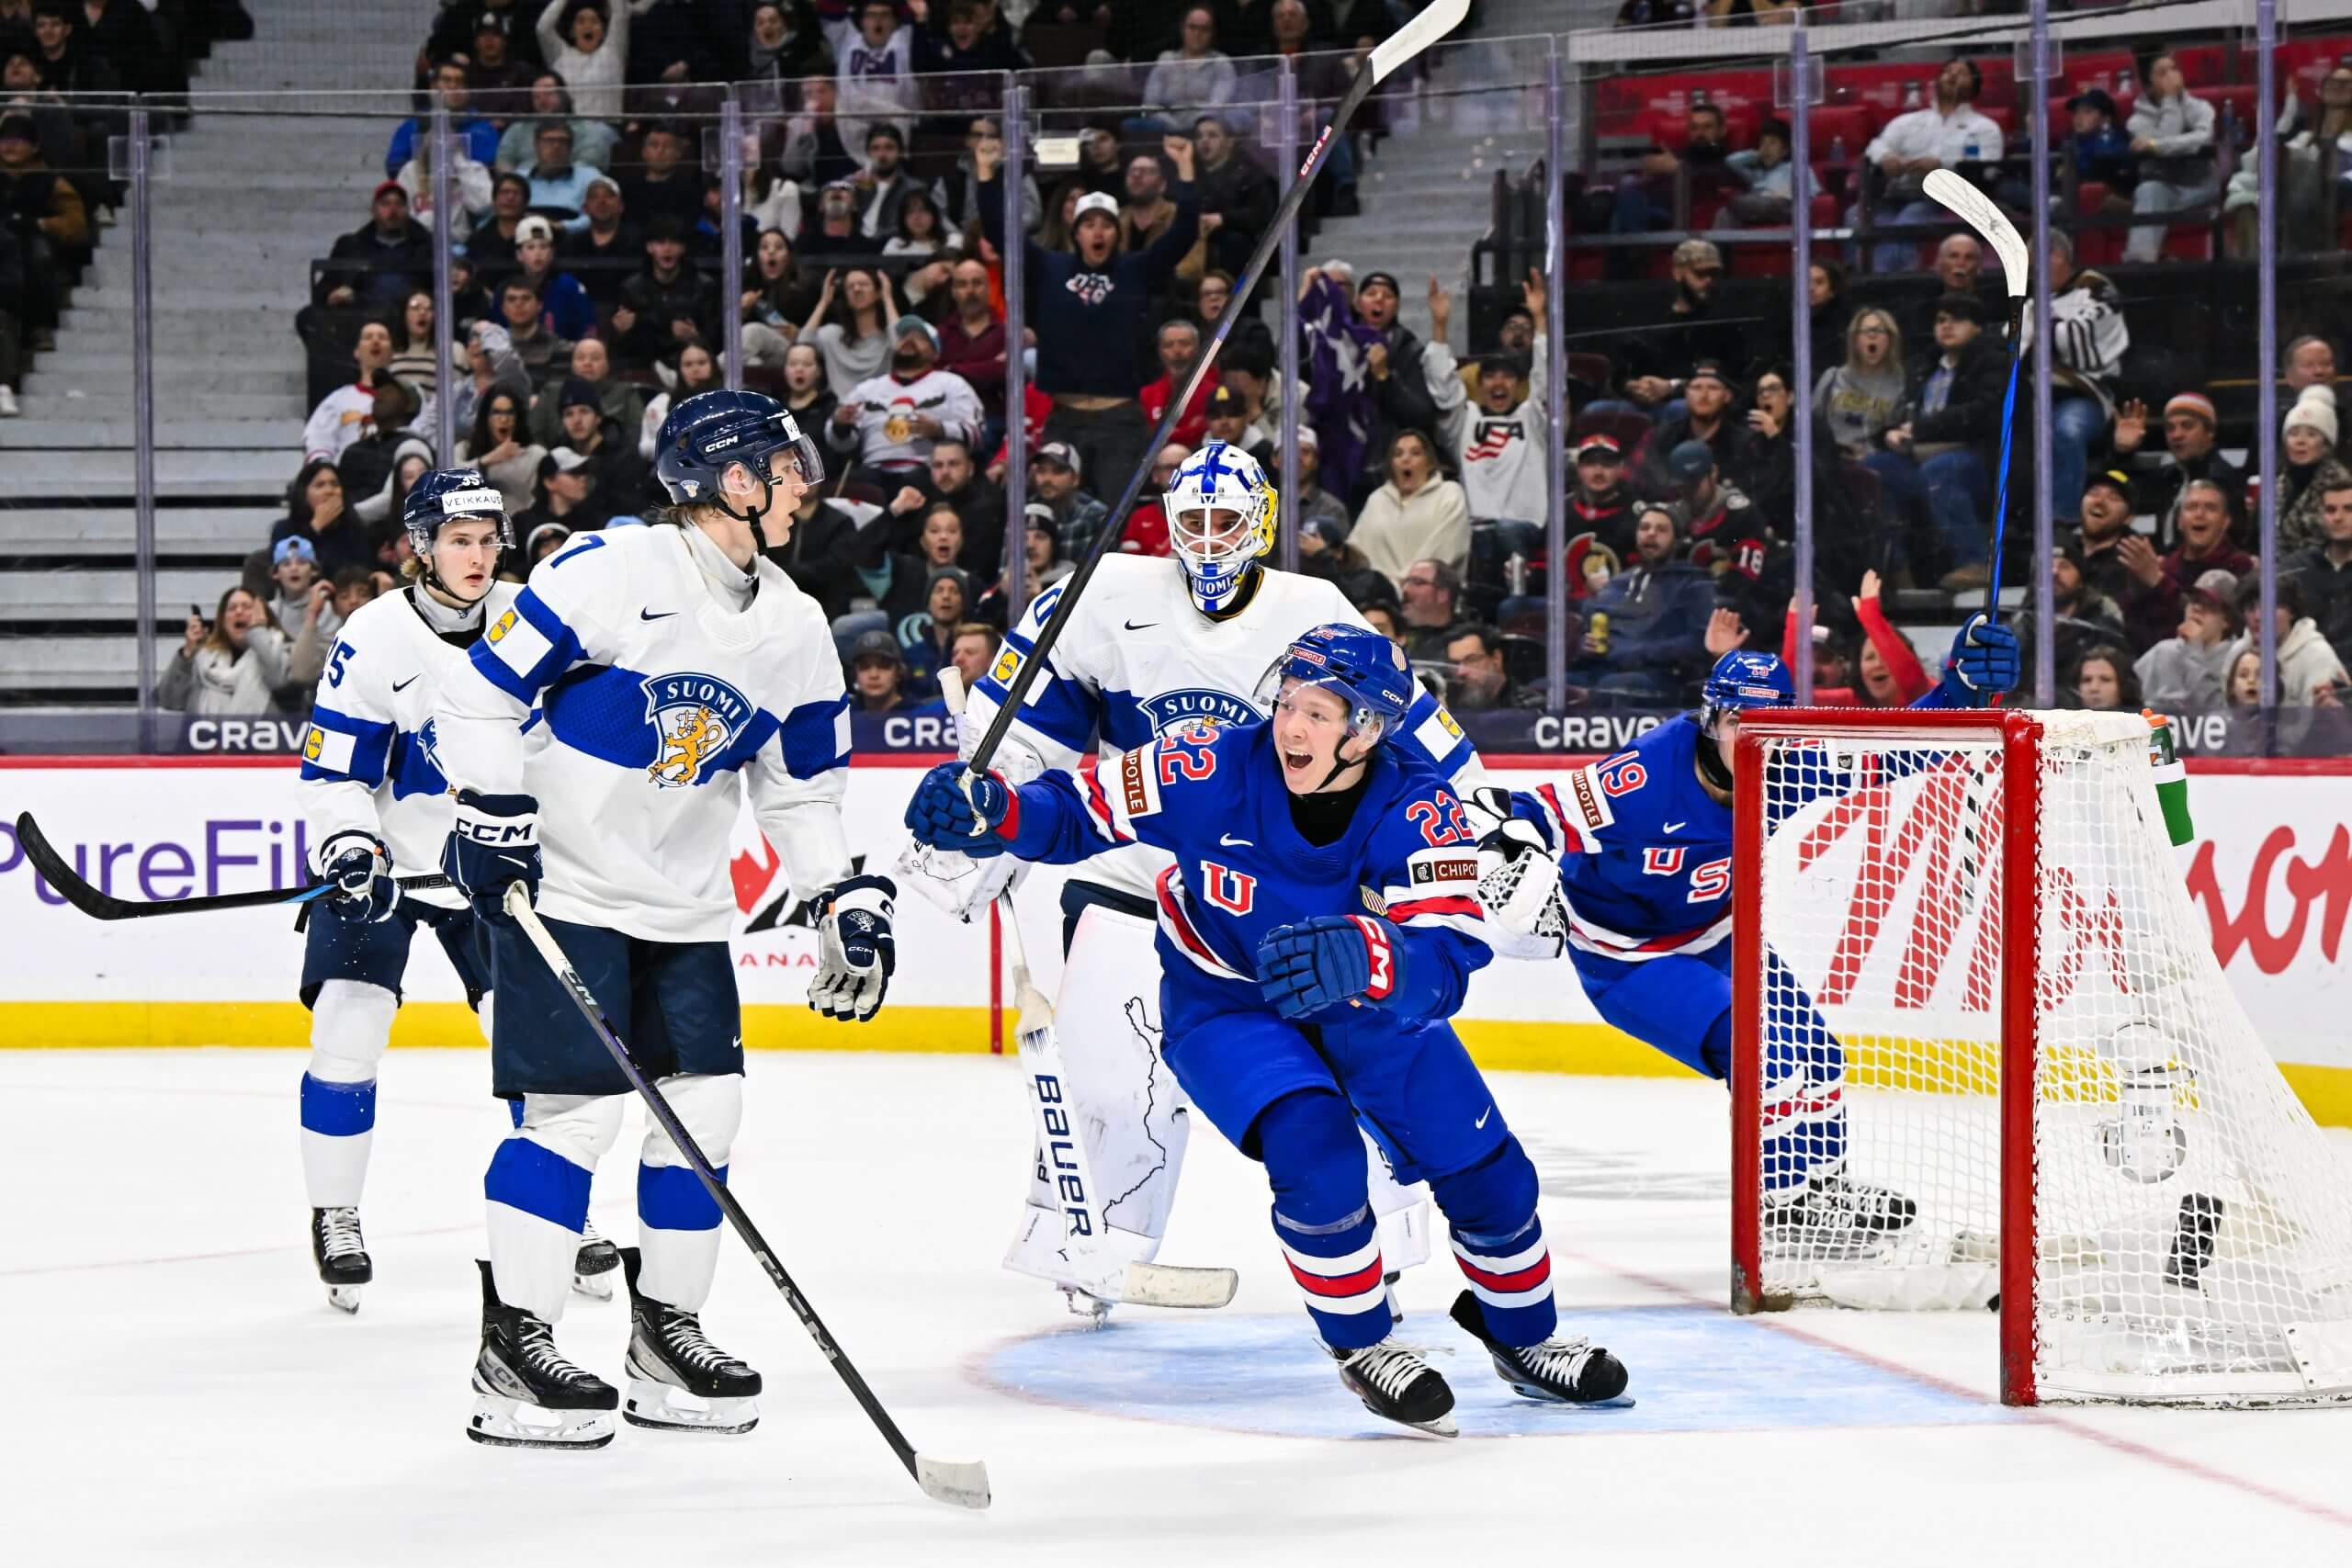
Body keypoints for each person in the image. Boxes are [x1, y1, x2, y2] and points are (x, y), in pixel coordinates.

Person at [906, 624, 1627, 1431]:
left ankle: (1526, 1336)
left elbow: (1451, 954)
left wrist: (1370, 955)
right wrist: (996, 810)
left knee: (1487, 1169)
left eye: (1320, 713)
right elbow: (1077, 812)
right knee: (1313, 1146)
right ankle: (1365, 1346)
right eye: (1287, 703)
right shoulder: (1204, 761)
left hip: (1367, 1007)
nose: (1291, 727)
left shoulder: (1420, 805)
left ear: (1370, 729)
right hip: (1226, 1002)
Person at [905, 444, 1478, 1325]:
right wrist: (985, 815)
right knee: (1107, 1078)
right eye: (1193, 521)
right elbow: (1024, 735)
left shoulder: (1313, 608)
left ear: (1262, 524)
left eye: (1225, 521)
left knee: (1351, 1079)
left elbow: (1406, 730)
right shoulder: (1100, 594)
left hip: (1283, 903)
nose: (1209, 541)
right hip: (1135, 870)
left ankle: (1384, 1256)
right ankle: (1092, 1246)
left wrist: (1480, 810)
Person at [434, 389, 896, 1449]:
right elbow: (480, 696)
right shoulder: (611, 570)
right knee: (575, 1117)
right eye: (785, 467)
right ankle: (516, 1350)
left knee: (705, 1115)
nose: (804, 483)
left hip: (684, 907)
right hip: (567, 889)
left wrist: (838, 894)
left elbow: (800, 789)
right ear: (735, 481)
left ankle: (664, 1335)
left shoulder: (792, 622)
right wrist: (494, 812)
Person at [1476, 626, 2022, 1253]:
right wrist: (1508, 842)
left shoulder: (1786, 766)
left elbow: (1894, 750)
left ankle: (1820, 1190)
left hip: (1717, 936)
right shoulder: (1645, 775)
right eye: (1740, 719)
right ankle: (1782, 1204)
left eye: (1770, 720)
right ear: (1711, 718)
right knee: (1759, 1048)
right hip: (1629, 959)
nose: (1755, 736)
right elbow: (1535, 809)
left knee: (1817, 1052)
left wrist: (1958, 689)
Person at [289, 471, 610, 1312]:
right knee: (346, 1028)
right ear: (421, 546)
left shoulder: (534, 617)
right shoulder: (375, 634)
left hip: (493, 868)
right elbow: (332, 773)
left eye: (487, 538)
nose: (477, 555)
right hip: (388, 870)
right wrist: (352, 845)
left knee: (534, 1047)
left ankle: (558, 1219)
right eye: (458, 539)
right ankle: (337, 1212)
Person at [976, 131, 1199, 503]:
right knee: (1053, 514)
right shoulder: (1050, 266)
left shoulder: (1136, 268)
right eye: (1089, 225)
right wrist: (986, 173)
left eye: (1107, 224)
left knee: (1114, 520)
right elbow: (1003, 235)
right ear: (1076, 232)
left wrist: (1186, 171)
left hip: (1120, 421)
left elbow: (1183, 235)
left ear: (1117, 231)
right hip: (1064, 417)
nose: (1098, 232)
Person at [1878, 293, 2006, 590]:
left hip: (1979, 459)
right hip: (1922, 455)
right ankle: (1896, 569)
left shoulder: (1994, 360)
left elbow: (1985, 412)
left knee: (1940, 470)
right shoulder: (1924, 365)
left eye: (1957, 318)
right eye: (1940, 320)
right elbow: (1901, 413)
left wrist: (1921, 429)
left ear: (1977, 327)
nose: (1947, 325)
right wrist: (1889, 433)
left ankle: (1974, 562)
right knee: (1876, 467)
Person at [1853, 57, 2005, 275]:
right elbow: (1876, 146)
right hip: (1896, 192)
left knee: (1908, 220)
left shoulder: (1984, 128)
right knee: (1855, 215)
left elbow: (1988, 168)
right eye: (1947, 71)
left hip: (1942, 198)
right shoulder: (1909, 121)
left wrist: (1942, 165)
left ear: (1975, 86)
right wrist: (1886, 158)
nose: (1952, 75)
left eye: (1960, 73)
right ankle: (1856, 275)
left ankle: (1887, 281)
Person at [1571, 504, 1716, 703]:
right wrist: (1584, 645)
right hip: (1603, 670)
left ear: (1677, 540)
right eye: (1644, 528)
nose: (1651, 534)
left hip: (1658, 676)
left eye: (1661, 529)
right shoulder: (1619, 582)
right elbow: (1587, 629)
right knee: (1547, 688)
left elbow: (1700, 642)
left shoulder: (1692, 582)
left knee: (1614, 686)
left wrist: (1637, 652)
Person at [825, 316, 983, 478]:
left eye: (920, 338)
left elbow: (977, 435)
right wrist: (840, 426)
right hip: (872, 471)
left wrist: (939, 429)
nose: (909, 340)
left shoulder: (952, 384)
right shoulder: (867, 389)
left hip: (929, 470)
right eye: (904, 336)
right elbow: (840, 445)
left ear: (935, 353)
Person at [2124, 53, 2218, 265]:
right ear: (2148, 86)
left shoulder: (2201, 107)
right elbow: (2172, 137)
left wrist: (2156, 145)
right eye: (2162, 73)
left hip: (2201, 188)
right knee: (2148, 190)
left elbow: (2203, 139)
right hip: (2165, 191)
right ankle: (2140, 266)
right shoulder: (2136, 122)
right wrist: (2169, 101)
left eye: (2174, 69)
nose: (2172, 76)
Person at [1351, 429, 1468, 593]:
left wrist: (1402, 586)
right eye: (1398, 454)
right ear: (1391, 464)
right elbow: (1357, 552)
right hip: (1378, 597)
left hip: (1431, 595)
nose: (1406, 459)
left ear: (1430, 463)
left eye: (1416, 453)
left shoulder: (1449, 494)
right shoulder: (1377, 499)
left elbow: (1446, 551)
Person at [156, 585, 290, 716]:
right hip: (206, 738)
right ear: (223, 621)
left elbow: (280, 682)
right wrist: (188, 653)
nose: (239, 611)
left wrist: (259, 634)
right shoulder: (204, 659)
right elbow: (169, 700)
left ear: (263, 616)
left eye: (247, 607)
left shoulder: (280, 651)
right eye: (232, 608)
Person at [2135, 569, 2240, 712]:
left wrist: (2193, 652)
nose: (2197, 608)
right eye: (2194, 600)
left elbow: (2219, 713)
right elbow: (2130, 700)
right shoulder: (2163, 652)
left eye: (2209, 605)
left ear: (2226, 620)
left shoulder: (2238, 659)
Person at [387, 58, 503, 179]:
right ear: (433, 86)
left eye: (460, 81)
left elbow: (487, 170)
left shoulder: (484, 129)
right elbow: (394, 166)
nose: (453, 86)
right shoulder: (413, 125)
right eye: (447, 80)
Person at [535, 0, 641, 125]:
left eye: (594, 21)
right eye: (581, 21)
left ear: (603, 32)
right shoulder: (560, 55)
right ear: (572, 32)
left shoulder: (612, 52)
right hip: (569, 131)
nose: (588, 26)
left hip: (606, 131)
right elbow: (542, 28)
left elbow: (620, 12)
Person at [799, 264, 895, 400]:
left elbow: (900, 344)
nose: (856, 289)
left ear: (878, 292)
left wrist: (887, 298)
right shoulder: (833, 335)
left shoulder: (888, 337)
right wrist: (824, 302)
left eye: (863, 284)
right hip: (838, 411)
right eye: (850, 287)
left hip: (878, 410)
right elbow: (803, 345)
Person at [2277, 392, 2351, 558]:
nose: (2300, 441)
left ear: (2326, 445)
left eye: (2311, 435)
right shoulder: (2279, 481)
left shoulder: (2339, 483)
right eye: (2293, 433)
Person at [1447, 623, 1541, 711]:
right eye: (1455, 663)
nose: (1460, 672)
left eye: (1471, 660)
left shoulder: (1529, 708)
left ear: (1496, 659)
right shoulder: (1451, 705)